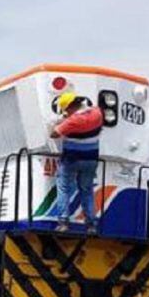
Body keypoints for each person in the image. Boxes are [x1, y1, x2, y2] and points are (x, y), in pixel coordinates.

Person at [50, 92, 103, 234]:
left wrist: (60, 120)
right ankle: (91, 225)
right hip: (91, 160)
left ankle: (63, 223)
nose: (66, 113)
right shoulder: (97, 113)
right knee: (87, 190)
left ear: (70, 107)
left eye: (66, 110)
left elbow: (53, 134)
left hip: (71, 160)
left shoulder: (71, 122)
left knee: (63, 188)